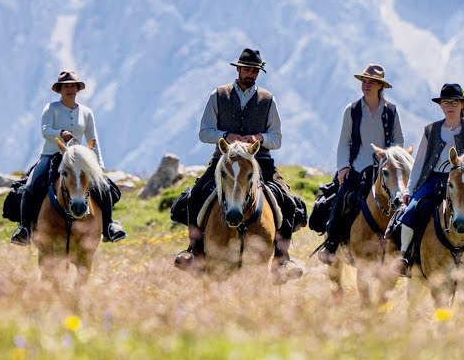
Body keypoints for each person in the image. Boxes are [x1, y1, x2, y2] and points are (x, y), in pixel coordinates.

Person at [171, 48, 303, 278]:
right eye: (247, 69)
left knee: (287, 201)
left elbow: (277, 138)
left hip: (259, 162)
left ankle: (282, 260)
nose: (251, 73)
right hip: (224, 161)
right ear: (238, 69)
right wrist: (225, 135)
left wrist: (259, 139)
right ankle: (194, 251)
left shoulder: (268, 99)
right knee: (197, 196)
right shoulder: (218, 95)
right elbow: (205, 132)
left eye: (255, 70)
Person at [387, 83, 464, 282]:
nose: (449, 106)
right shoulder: (430, 130)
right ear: (441, 105)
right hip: (434, 179)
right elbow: (418, 164)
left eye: (453, 102)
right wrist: (410, 190)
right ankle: (405, 258)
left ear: (462, 105)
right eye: (445, 102)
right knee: (410, 212)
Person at [9, 71, 126, 245]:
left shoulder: (86, 112)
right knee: (30, 186)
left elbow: (93, 137)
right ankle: (25, 229)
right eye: (66, 86)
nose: (70, 89)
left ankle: (109, 226)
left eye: (73, 86)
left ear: (77, 89)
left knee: (105, 188)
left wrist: (99, 164)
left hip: (79, 158)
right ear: (60, 90)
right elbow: (45, 130)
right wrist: (60, 133)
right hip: (51, 155)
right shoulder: (51, 109)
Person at [317, 64, 404, 265]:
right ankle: (331, 244)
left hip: (384, 169)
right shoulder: (353, 110)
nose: (366, 85)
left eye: (371, 82)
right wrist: (343, 167)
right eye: (364, 81)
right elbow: (344, 141)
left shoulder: (391, 111)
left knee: (400, 204)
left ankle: (403, 251)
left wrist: (388, 157)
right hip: (357, 168)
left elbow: (398, 140)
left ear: (380, 86)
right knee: (342, 198)